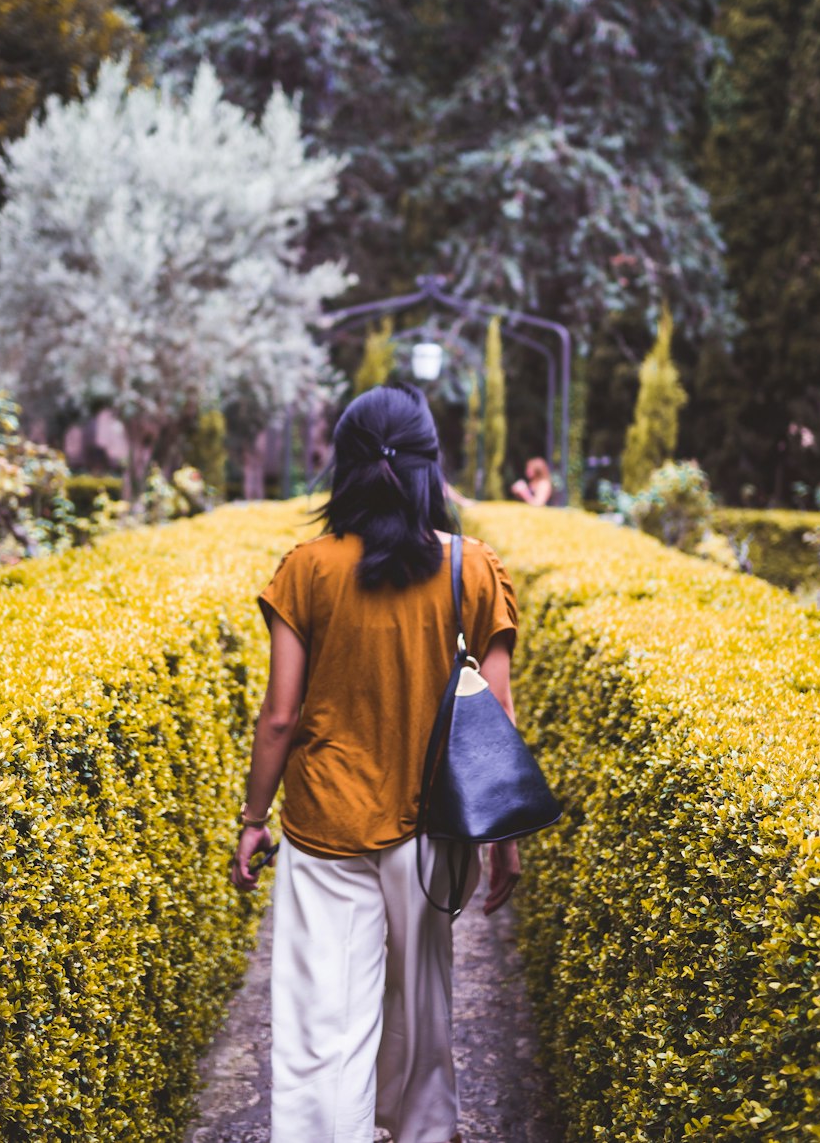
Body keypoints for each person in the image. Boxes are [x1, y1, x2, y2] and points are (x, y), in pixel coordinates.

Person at [231, 383, 523, 1143]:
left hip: (326, 824)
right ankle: (422, 1130)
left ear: (342, 466)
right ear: (431, 466)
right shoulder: (472, 567)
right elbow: (498, 719)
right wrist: (506, 841)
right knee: (422, 1007)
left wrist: (253, 820)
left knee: (326, 1019)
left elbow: (280, 716)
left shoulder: (307, 568)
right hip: (432, 829)